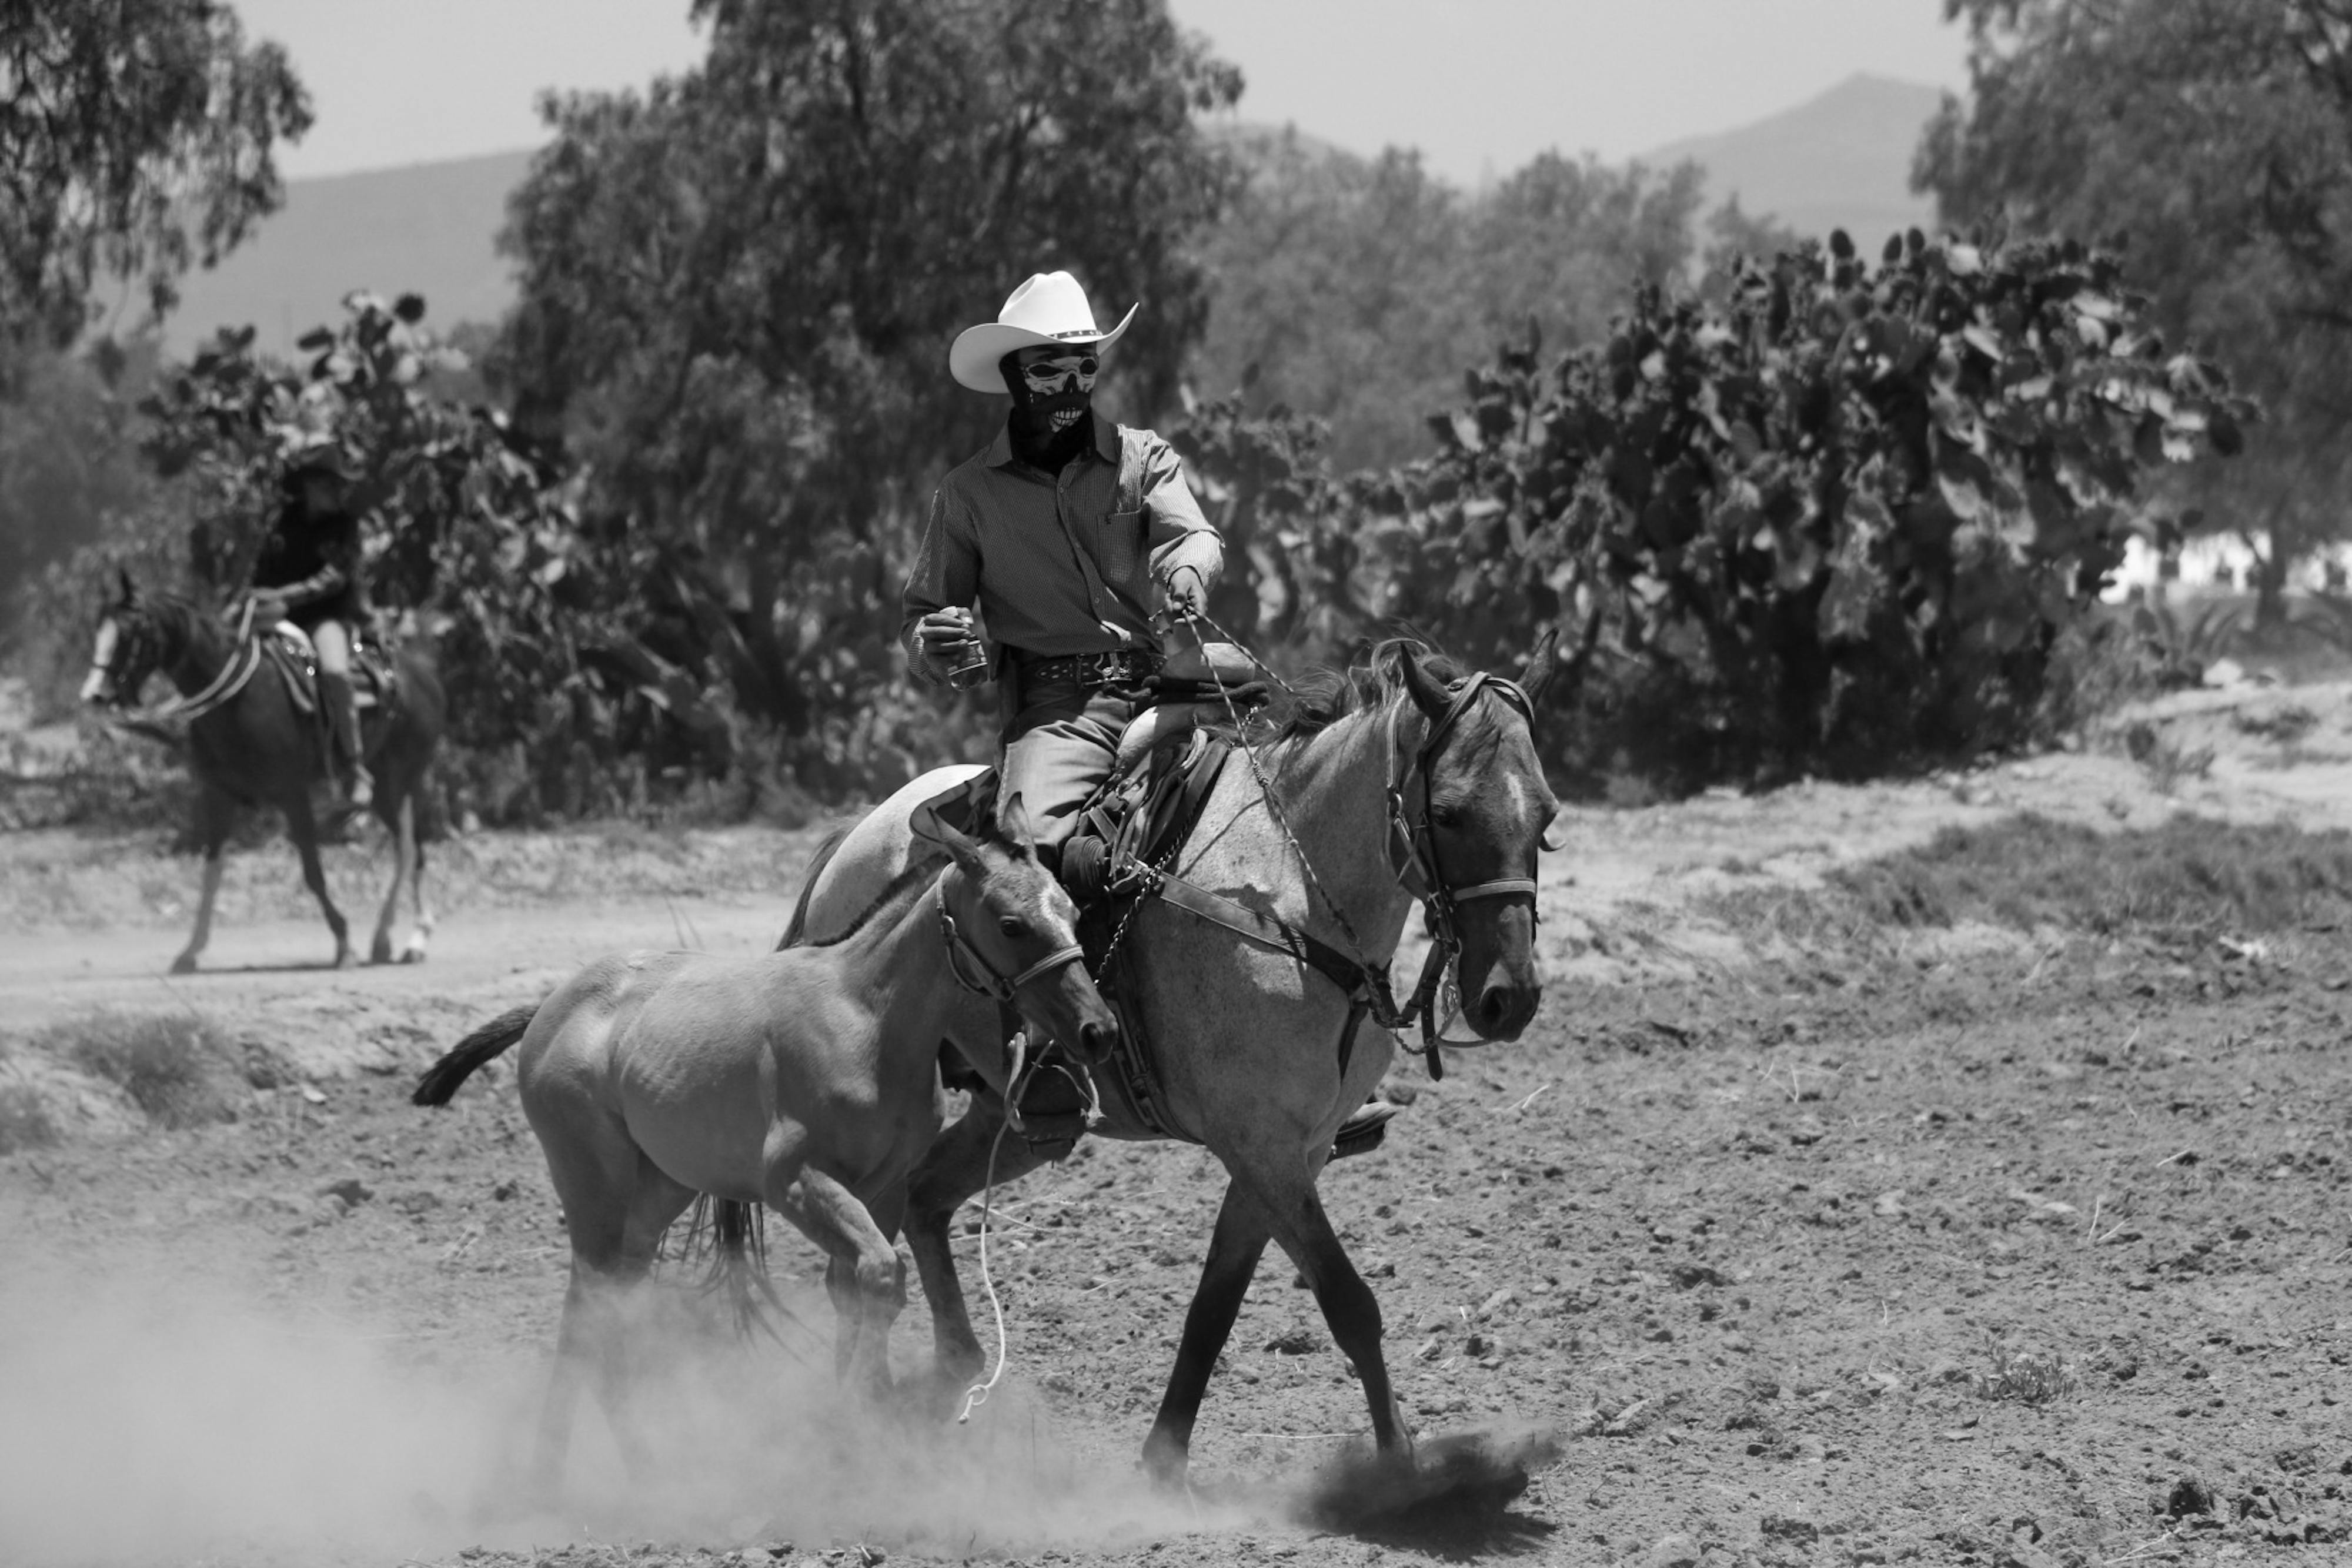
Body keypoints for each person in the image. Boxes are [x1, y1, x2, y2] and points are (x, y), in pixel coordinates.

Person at [902, 270, 1220, 870]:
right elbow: (923, 616)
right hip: (1060, 710)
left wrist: (1187, 574)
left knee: (1284, 792)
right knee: (1032, 861)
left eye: (1084, 368)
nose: (1071, 386)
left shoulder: (1142, 457)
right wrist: (934, 642)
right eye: (1048, 370)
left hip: (1170, 680)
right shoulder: (967, 494)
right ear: (1012, 378)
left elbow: (1194, 535)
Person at [250, 441, 373, 810]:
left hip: (326, 618)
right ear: (309, 487)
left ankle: (354, 766)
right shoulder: (282, 523)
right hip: (279, 617)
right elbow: (261, 569)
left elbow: (333, 581)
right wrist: (252, 597)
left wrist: (284, 595)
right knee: (230, 656)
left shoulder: (345, 527)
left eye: (340, 486)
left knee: (334, 673)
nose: (338, 492)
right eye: (329, 485)